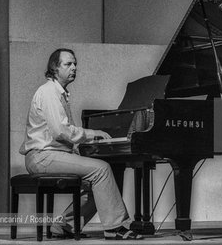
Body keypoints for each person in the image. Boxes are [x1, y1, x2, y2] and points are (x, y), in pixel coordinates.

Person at [19, 48, 143, 240]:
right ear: (54, 67)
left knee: (101, 183)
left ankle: (63, 226)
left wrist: (79, 147)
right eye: (68, 64)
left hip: (51, 155)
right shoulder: (49, 92)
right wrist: (93, 134)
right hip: (42, 156)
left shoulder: (59, 93)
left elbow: (63, 134)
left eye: (75, 64)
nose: (74, 67)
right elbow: (61, 131)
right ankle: (115, 228)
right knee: (101, 170)